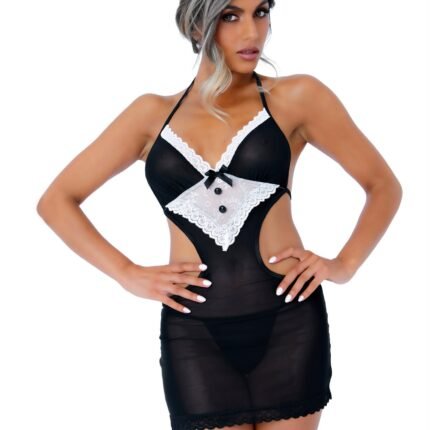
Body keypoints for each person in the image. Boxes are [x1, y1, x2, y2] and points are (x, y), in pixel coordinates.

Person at [36, 0, 402, 429]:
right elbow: (57, 200)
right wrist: (126, 272)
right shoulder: (150, 115)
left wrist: (344, 264)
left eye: (260, 12)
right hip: (194, 336)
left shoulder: (297, 97)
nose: (252, 32)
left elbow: (383, 185)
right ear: (197, 26)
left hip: (290, 321)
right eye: (230, 16)